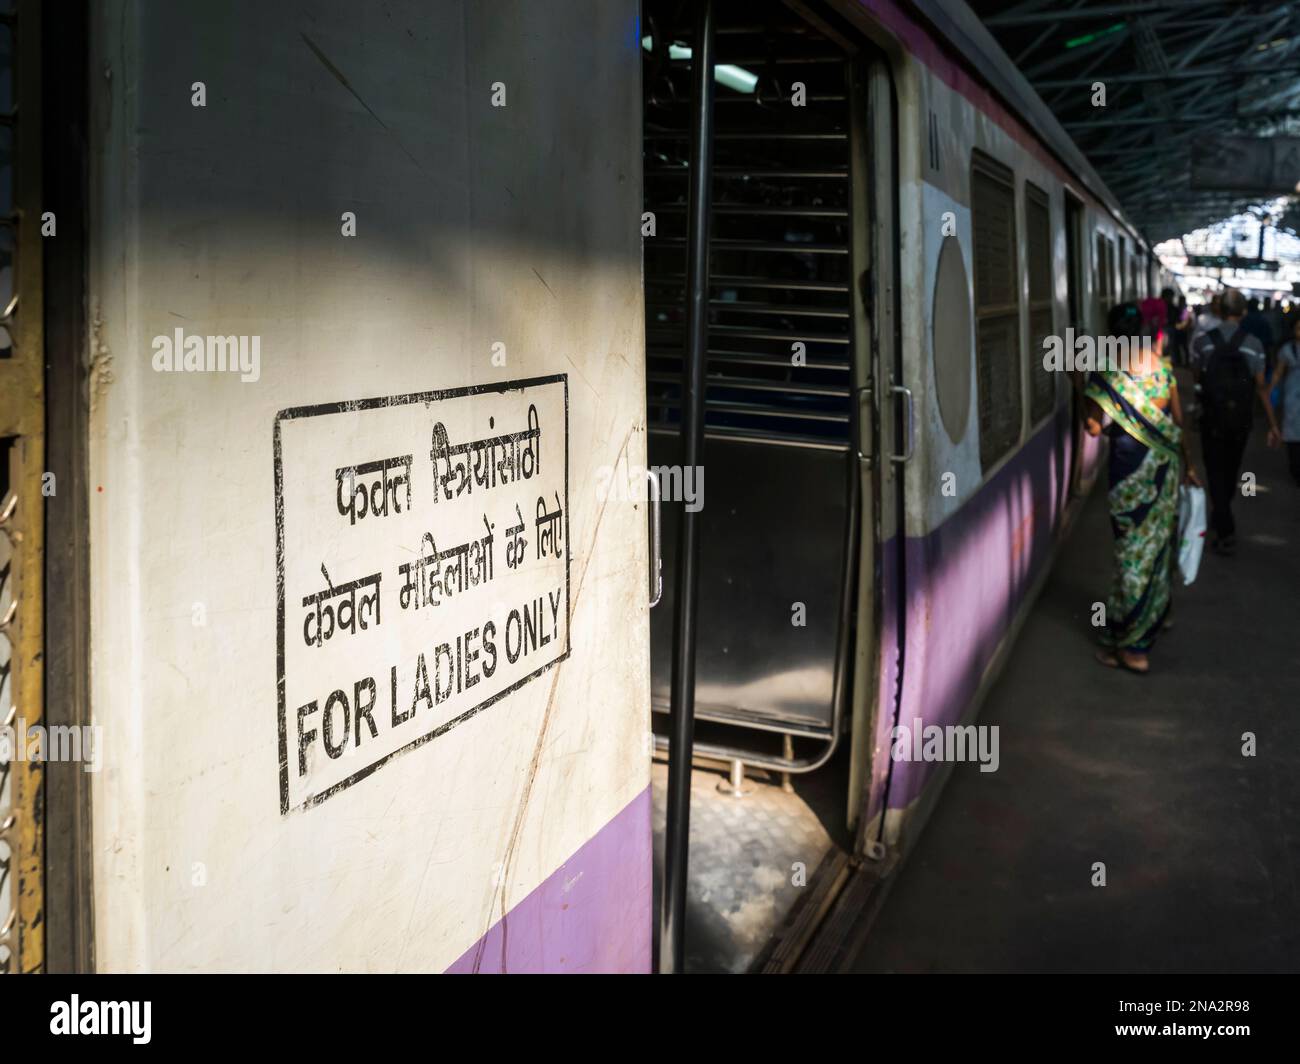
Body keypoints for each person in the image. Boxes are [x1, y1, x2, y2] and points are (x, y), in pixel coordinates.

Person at [1084, 302, 1199, 675]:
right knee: (1156, 549)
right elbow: (1179, 423)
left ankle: (1134, 647)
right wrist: (1190, 467)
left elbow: (1093, 428)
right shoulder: (1163, 372)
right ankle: (1156, 615)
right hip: (1164, 472)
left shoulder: (1107, 373)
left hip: (1128, 476)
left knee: (1131, 555)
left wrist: (1078, 389)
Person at [1191, 287, 1283, 555]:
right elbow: (1261, 388)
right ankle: (1224, 522)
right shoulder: (1254, 345)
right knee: (1231, 471)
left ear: (1219, 310)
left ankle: (1222, 522)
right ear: (1243, 312)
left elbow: (1197, 378)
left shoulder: (1203, 341)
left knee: (1214, 470)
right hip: (1240, 421)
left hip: (1211, 418)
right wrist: (1273, 424)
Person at [1268, 315, 1300, 486]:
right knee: (1292, 434)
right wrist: (1270, 390)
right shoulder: (1288, 349)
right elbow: (1278, 372)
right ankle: (1295, 469)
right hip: (1292, 397)